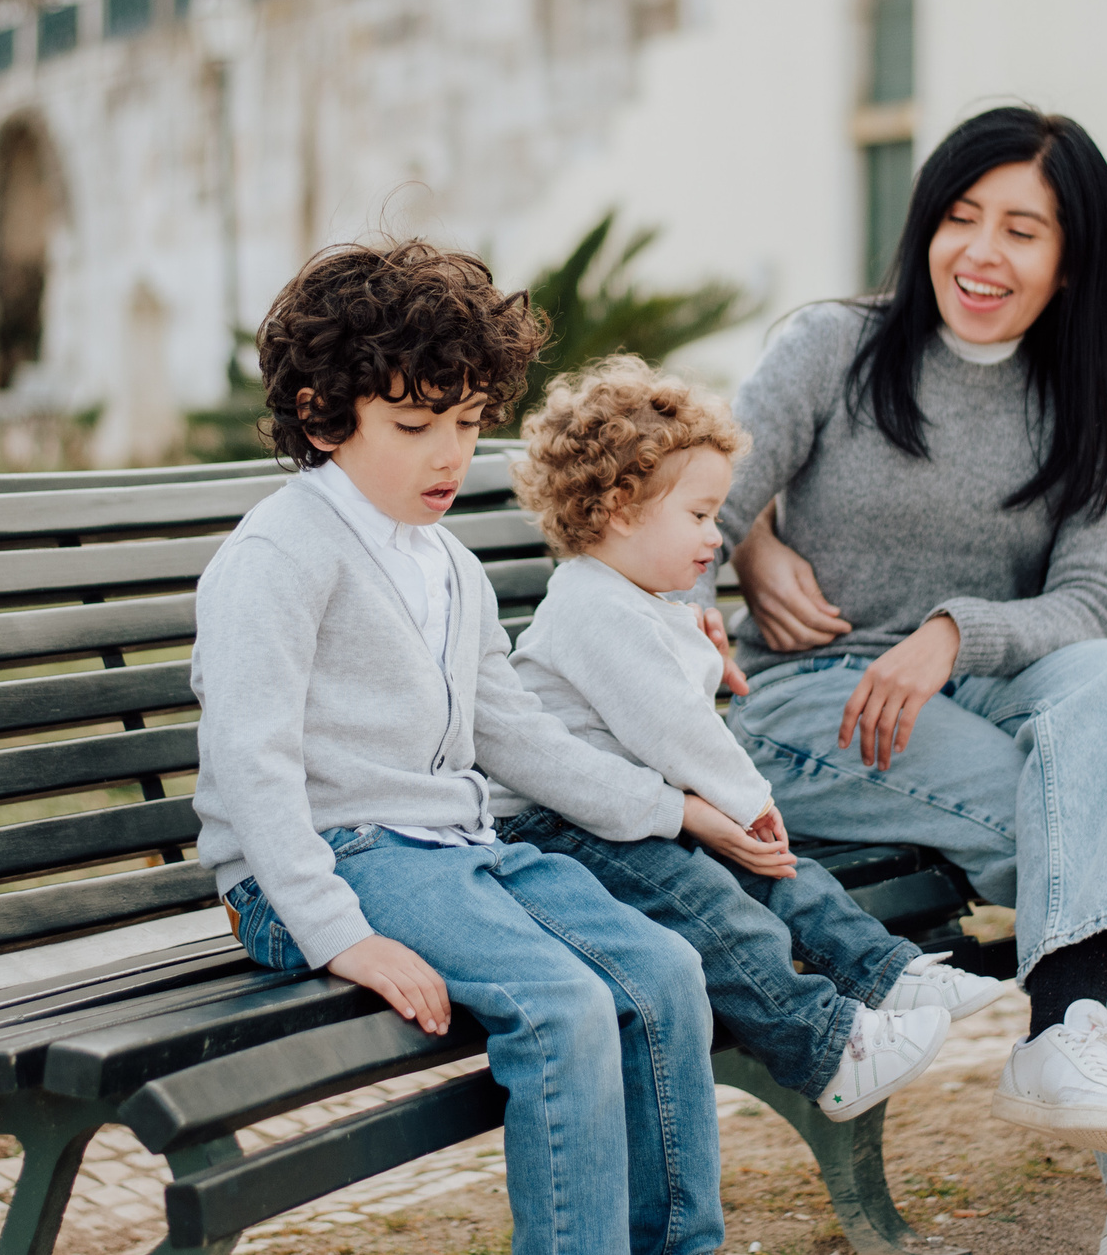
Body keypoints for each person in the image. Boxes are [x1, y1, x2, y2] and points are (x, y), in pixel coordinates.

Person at [716, 107, 1107, 1255]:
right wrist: (745, 559)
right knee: (1080, 822)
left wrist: (951, 635)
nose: (981, 252)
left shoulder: (1088, 397)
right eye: (960, 218)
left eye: (1022, 229)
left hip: (960, 682)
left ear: (1069, 262)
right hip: (815, 701)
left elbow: (1091, 607)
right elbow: (697, 502)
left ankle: (1071, 1042)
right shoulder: (830, 346)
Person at [191, 239, 725, 1255]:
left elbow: (511, 729)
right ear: (320, 414)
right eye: (415, 423)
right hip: (316, 865)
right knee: (562, 1003)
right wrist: (338, 932)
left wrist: (671, 805)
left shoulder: (444, 560)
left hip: (449, 853)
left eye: (470, 422)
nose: (450, 452)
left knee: (664, 971)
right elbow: (251, 764)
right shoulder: (277, 554)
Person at [497, 355, 1008, 1124]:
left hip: (645, 808)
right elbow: (675, 728)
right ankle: (829, 1049)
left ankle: (888, 973)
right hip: (563, 829)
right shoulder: (593, 607)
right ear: (620, 508)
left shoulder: (644, 597)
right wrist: (749, 807)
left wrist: (744, 818)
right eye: (699, 516)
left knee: (781, 871)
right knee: (714, 905)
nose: (717, 538)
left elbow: (680, 729)